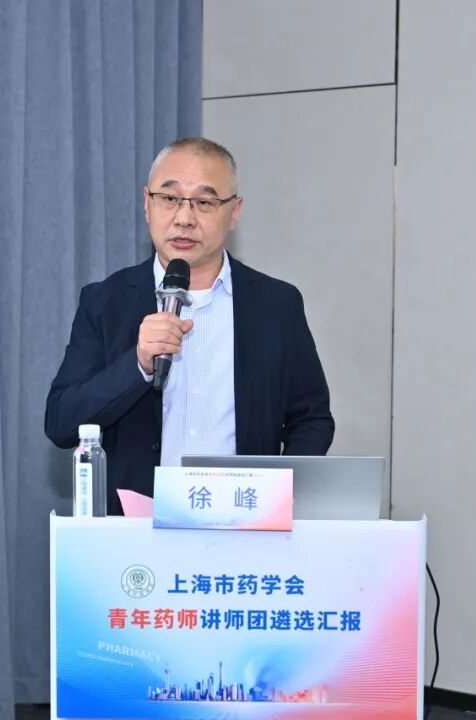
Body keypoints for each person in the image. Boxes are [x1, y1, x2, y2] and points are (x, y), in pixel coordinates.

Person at [44, 137, 334, 515]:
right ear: (147, 204)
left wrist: (278, 498)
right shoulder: (105, 301)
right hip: (135, 532)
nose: (184, 218)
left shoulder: (276, 305)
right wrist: (137, 364)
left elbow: (311, 419)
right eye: (170, 198)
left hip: (243, 522)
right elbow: (62, 422)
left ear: (234, 212)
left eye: (204, 202)